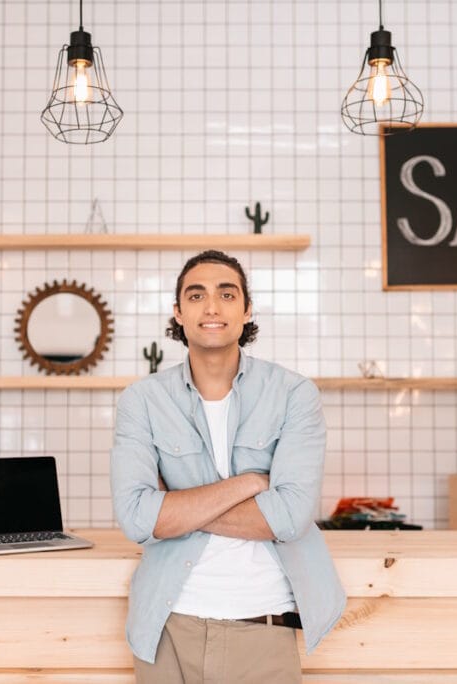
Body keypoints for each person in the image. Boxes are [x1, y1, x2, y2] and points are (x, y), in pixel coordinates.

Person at [110, 250, 346, 683]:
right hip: (165, 628)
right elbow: (136, 518)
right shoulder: (142, 401)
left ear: (247, 309)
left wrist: (174, 507)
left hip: (263, 627)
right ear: (178, 312)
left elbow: (290, 517)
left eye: (227, 294)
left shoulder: (293, 394)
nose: (212, 307)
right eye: (196, 295)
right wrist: (251, 483)